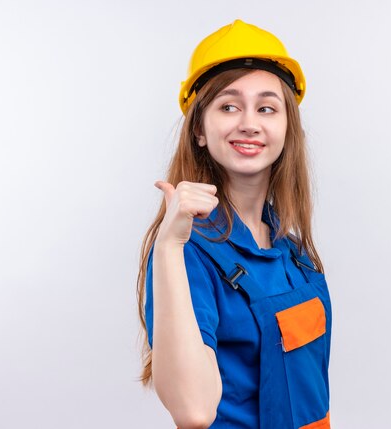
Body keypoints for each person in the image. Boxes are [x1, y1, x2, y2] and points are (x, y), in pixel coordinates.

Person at [137, 19, 332, 429]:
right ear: (200, 130)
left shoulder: (290, 250)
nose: (249, 122)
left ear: (285, 129)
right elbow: (193, 412)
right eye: (228, 106)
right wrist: (169, 247)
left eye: (266, 107)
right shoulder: (188, 248)